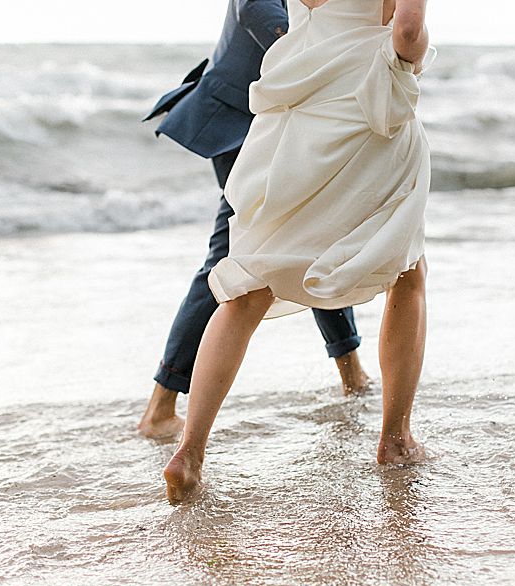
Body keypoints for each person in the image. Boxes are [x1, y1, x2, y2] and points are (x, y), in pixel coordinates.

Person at [163, 0, 435, 504]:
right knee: (407, 270)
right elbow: (409, 29)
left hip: (296, 114)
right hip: (364, 110)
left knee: (250, 285)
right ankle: (395, 440)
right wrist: (407, 68)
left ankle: (190, 451)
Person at [138, 0, 371, 440]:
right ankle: (159, 407)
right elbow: (256, 11)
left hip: (284, 121)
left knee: (314, 236)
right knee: (231, 254)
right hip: (241, 120)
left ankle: (351, 373)